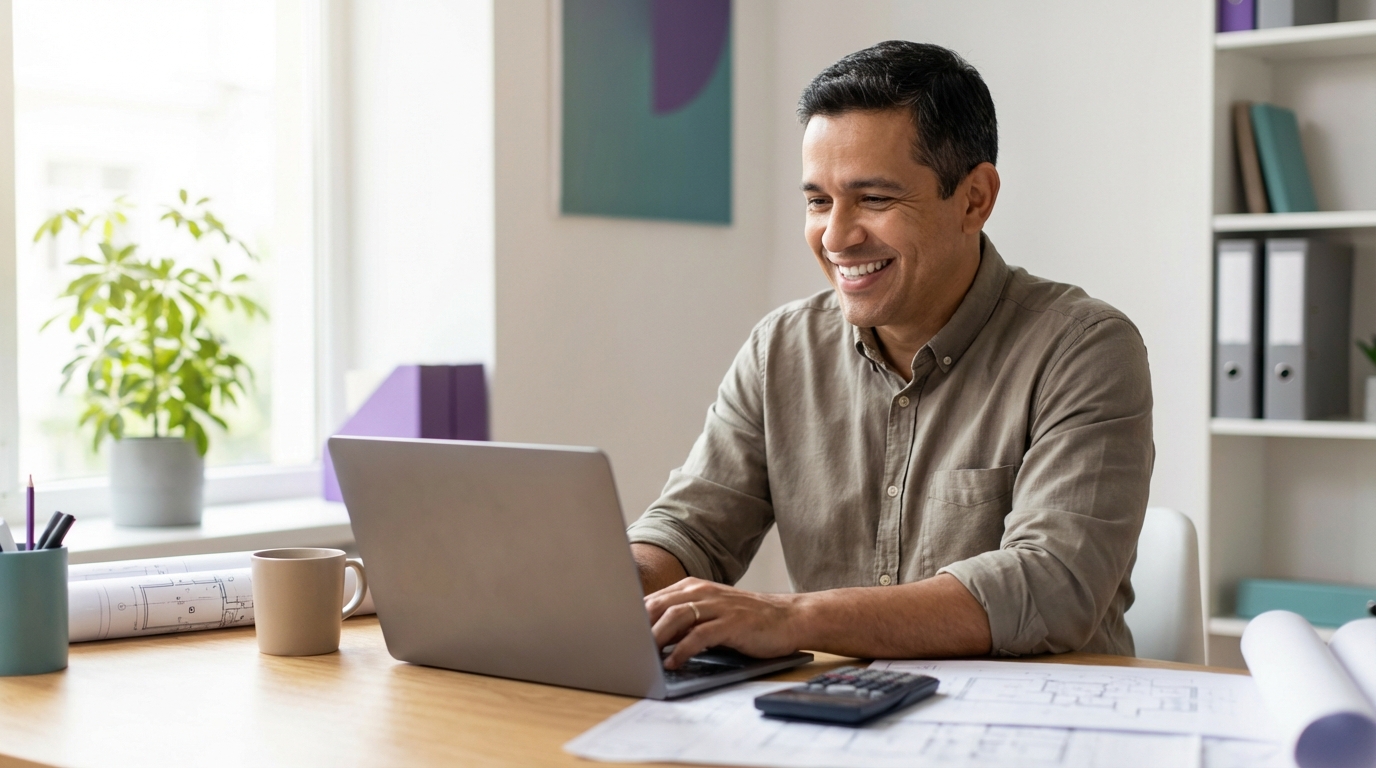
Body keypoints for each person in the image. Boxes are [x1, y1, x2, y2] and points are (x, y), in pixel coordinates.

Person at [627, 40, 1154, 669]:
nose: (836, 236)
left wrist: (789, 618)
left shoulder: (1084, 348)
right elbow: (690, 529)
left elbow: (1049, 585)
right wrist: (610, 582)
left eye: (874, 200)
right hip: (839, 717)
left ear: (974, 198)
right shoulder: (781, 349)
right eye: (818, 201)